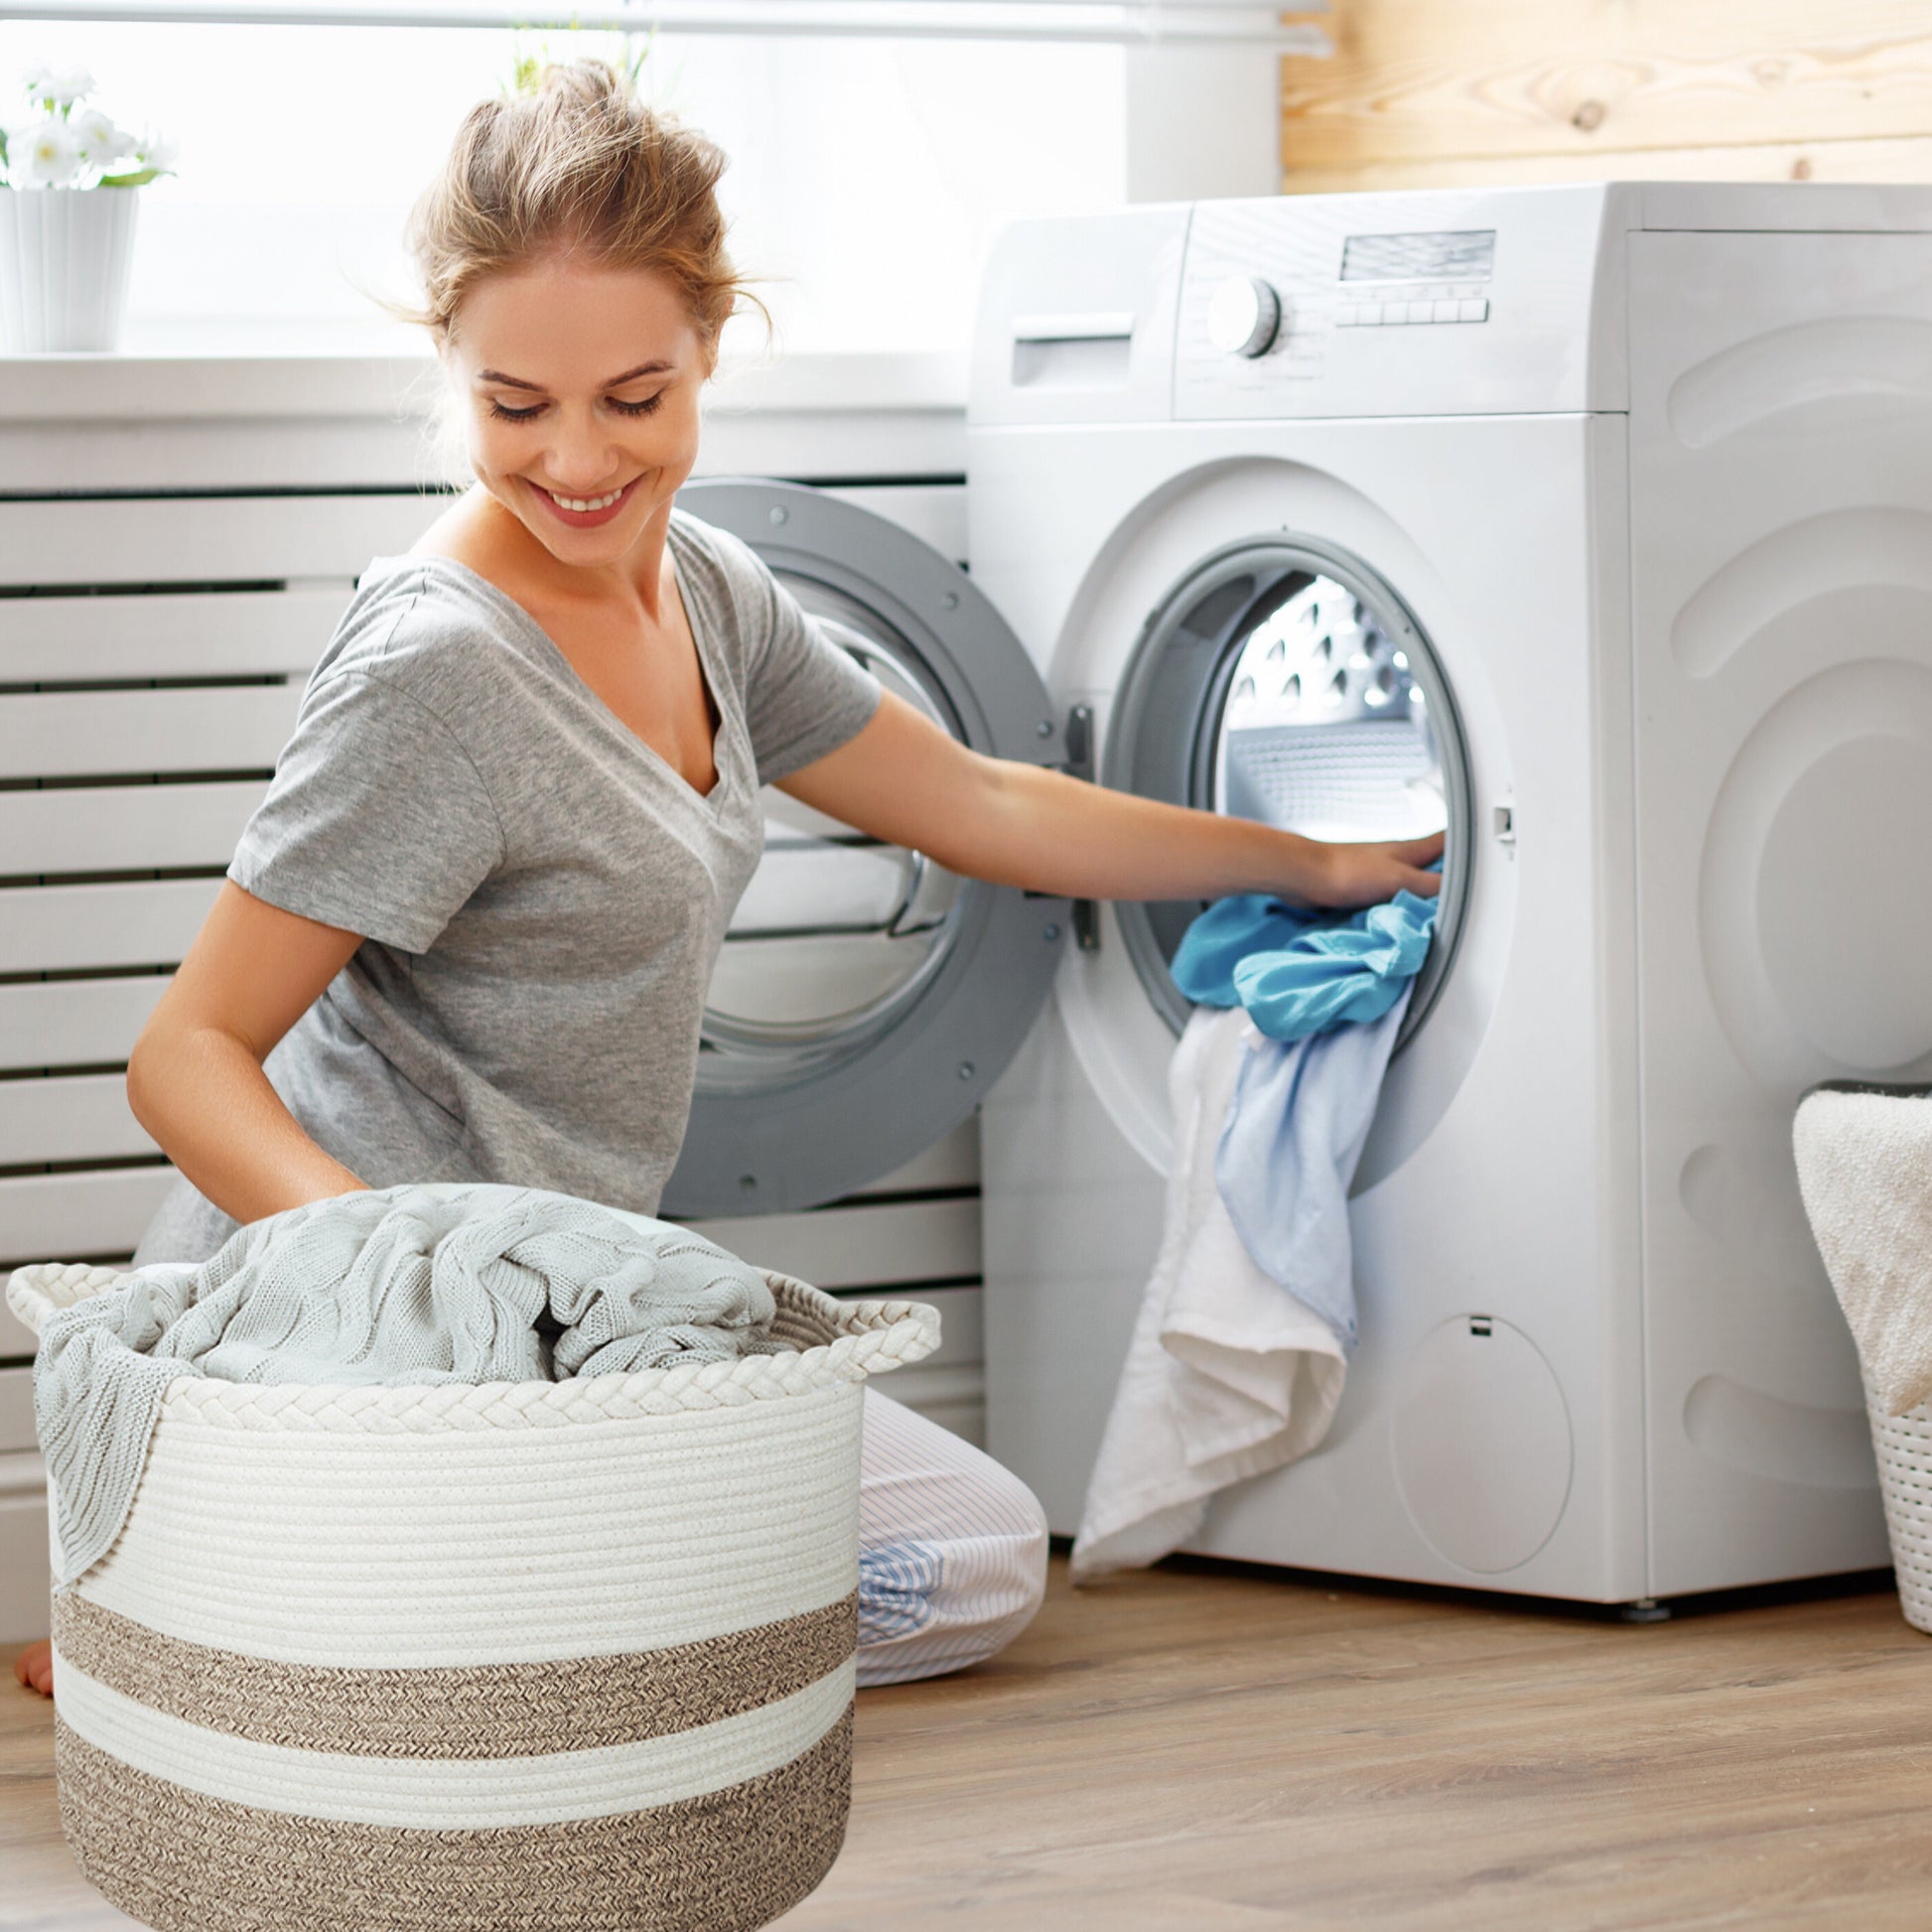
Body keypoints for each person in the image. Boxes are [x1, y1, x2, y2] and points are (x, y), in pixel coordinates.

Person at [14, 59, 1441, 1702]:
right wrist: (418, 1274)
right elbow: (182, 1055)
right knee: (699, 1568)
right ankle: (273, 1596)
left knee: (968, 1560)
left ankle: (342, 1632)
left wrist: (1311, 857)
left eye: (634, 396)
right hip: (346, 1321)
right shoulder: (435, 668)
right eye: (511, 404)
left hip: (576, 1327)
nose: (571, 461)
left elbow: (975, 799)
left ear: (710, 346)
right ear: (450, 371)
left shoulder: (709, 591)